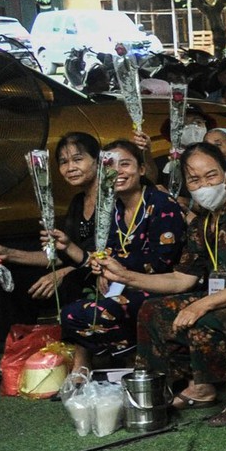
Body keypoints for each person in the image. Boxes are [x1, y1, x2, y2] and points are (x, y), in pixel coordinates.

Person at [134, 143, 226, 421]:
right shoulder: (202, 222)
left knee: (206, 320)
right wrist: (125, 277)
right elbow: (182, 278)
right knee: (153, 310)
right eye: (195, 180)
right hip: (221, 296)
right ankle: (189, 385)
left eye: (211, 176)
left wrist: (202, 305)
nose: (204, 185)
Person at [45, 138, 187, 377]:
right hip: (124, 284)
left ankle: (143, 366)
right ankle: (132, 363)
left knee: (89, 313)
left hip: (161, 284)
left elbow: (162, 262)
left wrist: (117, 270)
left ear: (141, 169)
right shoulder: (114, 208)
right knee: (69, 313)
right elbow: (107, 251)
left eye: (126, 165)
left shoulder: (161, 204)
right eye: (110, 166)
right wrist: (71, 248)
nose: (118, 172)